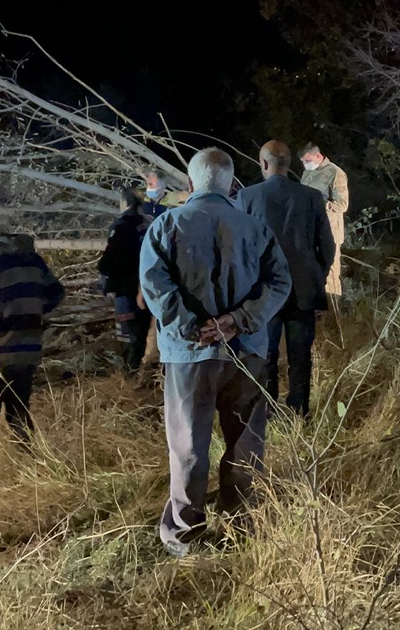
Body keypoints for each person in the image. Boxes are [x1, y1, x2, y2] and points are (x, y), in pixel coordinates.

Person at [140, 148, 291, 557]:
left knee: (189, 443)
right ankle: (242, 523)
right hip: (248, 353)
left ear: (190, 185)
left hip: (189, 356)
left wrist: (192, 325)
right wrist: (239, 320)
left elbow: (154, 284)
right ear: (231, 185)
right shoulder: (256, 230)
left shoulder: (166, 225)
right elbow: (279, 283)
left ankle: (186, 532)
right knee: (246, 440)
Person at [236, 141, 335, 417]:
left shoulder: (247, 198)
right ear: (289, 164)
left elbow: (238, 249)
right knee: (300, 356)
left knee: (264, 355)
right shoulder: (312, 197)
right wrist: (317, 275)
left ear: (264, 164)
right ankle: (298, 413)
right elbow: (327, 246)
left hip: (263, 292)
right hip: (303, 290)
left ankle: (265, 411)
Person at [0, 202, 64, 440]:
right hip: (28, 350)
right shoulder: (31, 259)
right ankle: (29, 461)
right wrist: (31, 313)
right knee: (19, 414)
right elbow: (55, 293)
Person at [98, 188, 151, 371]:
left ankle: (129, 376)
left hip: (126, 290)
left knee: (128, 339)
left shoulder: (122, 225)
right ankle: (141, 372)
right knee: (143, 335)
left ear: (125, 202)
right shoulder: (148, 224)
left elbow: (109, 260)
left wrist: (107, 283)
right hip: (148, 288)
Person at [298, 144, 350, 297]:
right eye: (303, 162)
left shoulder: (335, 173)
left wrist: (320, 204)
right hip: (310, 230)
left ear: (318, 156)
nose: (305, 164)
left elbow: (342, 204)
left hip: (330, 232)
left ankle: (333, 315)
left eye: (307, 160)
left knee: (331, 276)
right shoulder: (308, 173)